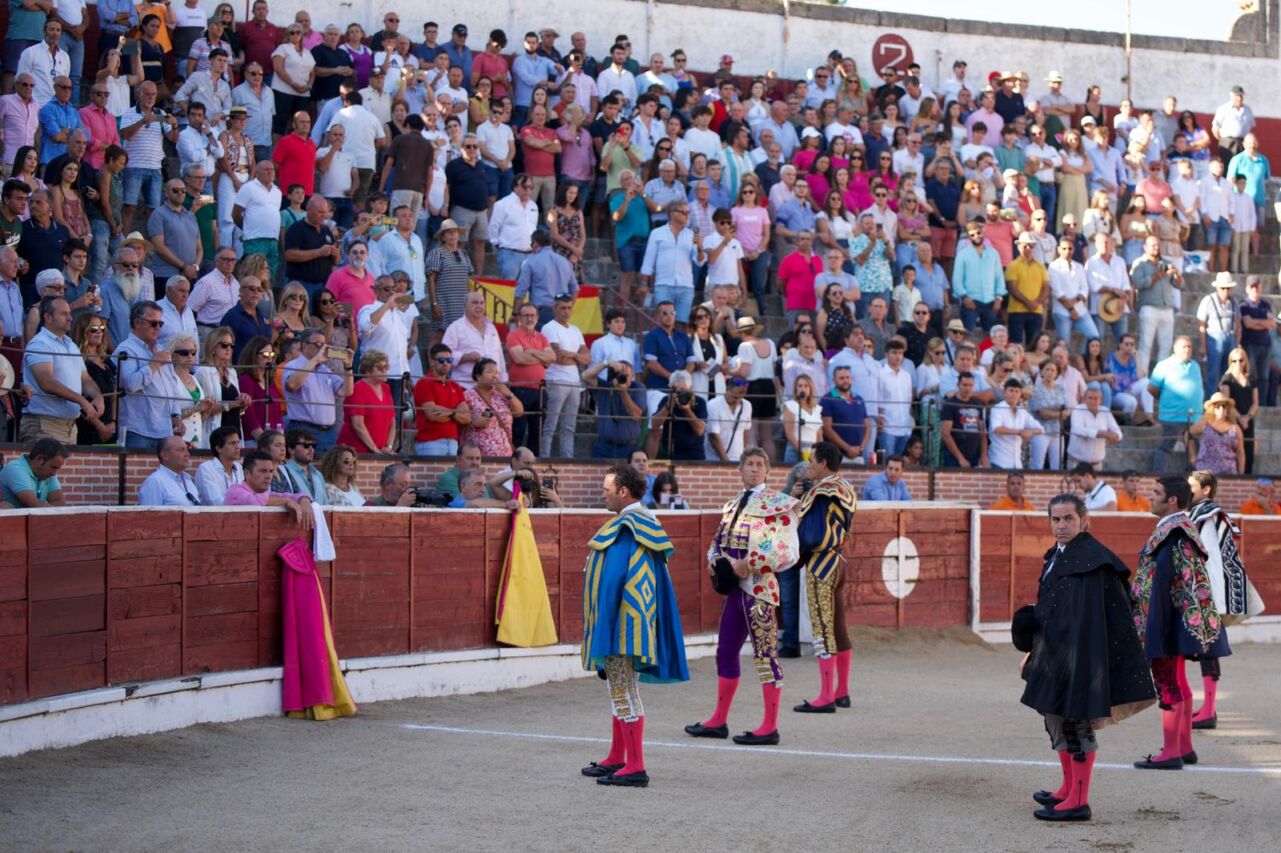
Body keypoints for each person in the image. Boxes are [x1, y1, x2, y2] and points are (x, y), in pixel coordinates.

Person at [1017, 493, 1156, 822]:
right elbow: (1058, 611)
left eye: (1068, 519)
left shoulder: (1093, 559)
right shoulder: (1059, 555)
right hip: (1056, 652)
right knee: (1055, 716)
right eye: (1056, 519)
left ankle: (1079, 801)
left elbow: (1092, 620)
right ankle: (1068, 789)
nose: (1061, 525)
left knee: (1075, 722)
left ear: (1084, 521)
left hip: (1081, 657)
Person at [580, 463, 689, 788]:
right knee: (620, 688)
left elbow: (625, 583)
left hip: (624, 625)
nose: (603, 493)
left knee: (624, 689)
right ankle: (618, 756)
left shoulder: (632, 526)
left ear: (623, 491)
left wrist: (617, 630)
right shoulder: (635, 523)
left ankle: (636, 765)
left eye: (607, 489)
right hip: (624, 623)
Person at [686, 448, 799, 745]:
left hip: (760, 590)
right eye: (749, 464)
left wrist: (748, 564)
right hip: (735, 593)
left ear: (768, 471)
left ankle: (770, 726)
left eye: (760, 464)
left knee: (765, 655)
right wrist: (714, 559)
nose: (754, 469)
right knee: (725, 651)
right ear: (740, 469)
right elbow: (716, 542)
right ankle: (719, 721)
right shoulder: (732, 505)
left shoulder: (777, 505)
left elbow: (786, 550)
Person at [1133, 476, 1228, 771]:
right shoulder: (1182, 529)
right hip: (1180, 617)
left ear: (1171, 499)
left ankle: (1171, 752)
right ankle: (1184, 747)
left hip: (1166, 619)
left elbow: (1160, 582)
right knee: (1179, 681)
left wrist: (1154, 629)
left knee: (1167, 681)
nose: (1151, 497)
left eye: (1156, 493)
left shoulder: (1171, 532)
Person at [791, 441, 858, 713]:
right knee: (838, 626)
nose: (808, 465)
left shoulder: (822, 490)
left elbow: (809, 531)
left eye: (812, 461)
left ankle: (826, 695)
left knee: (821, 627)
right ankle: (841, 692)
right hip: (840, 559)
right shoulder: (846, 487)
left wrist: (797, 498)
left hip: (822, 564)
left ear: (823, 464)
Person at [1186, 470, 1253, 730]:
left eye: (1191, 486)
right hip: (1208, 591)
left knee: (1208, 651)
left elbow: (1211, 557)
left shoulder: (1207, 515)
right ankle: (1207, 707)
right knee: (1205, 651)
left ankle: (1209, 710)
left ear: (1205, 490)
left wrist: (1207, 595)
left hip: (1207, 593)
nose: (1187, 490)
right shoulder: (1203, 513)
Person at [21, 294, 102, 443]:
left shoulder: (70, 344)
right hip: (44, 425)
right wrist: (81, 400)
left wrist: (97, 396)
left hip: (70, 427)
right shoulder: (39, 344)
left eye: (69, 313)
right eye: (64, 314)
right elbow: (46, 382)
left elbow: (85, 378)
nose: (70, 318)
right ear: (48, 317)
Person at [282, 327, 353, 453]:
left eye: (324, 345)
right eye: (318, 345)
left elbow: (346, 391)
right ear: (304, 345)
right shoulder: (293, 365)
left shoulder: (324, 369)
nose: (322, 349)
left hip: (329, 431)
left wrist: (348, 367)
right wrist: (315, 360)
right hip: (304, 429)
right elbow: (292, 385)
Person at [540, 293, 588, 458]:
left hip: (574, 382)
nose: (566, 311)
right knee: (550, 424)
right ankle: (544, 458)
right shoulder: (549, 327)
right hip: (556, 380)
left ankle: (568, 459)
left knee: (569, 426)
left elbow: (587, 358)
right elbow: (558, 358)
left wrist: (571, 355)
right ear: (555, 308)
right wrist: (576, 357)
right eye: (562, 308)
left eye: (569, 308)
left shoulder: (575, 330)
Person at [1149, 337, 1204, 475]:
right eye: (1184, 347)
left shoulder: (1195, 365)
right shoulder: (1164, 365)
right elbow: (1152, 388)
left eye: (1190, 347)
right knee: (1166, 447)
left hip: (1195, 418)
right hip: (1172, 416)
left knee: (1194, 449)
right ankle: (1158, 475)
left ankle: (1193, 478)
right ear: (1175, 348)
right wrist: (1167, 400)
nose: (1187, 350)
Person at [413, 342, 471, 457]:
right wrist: (455, 412)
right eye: (441, 360)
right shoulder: (424, 383)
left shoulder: (455, 386)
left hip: (453, 442)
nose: (445, 364)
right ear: (432, 362)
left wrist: (448, 413)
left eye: (449, 360)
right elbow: (432, 414)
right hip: (430, 442)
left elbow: (467, 418)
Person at [338, 349, 396, 455]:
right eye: (380, 368)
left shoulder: (386, 388)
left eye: (386, 367)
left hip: (380, 450)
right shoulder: (358, 388)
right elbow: (358, 424)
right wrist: (374, 449)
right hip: (355, 450)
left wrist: (388, 446)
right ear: (367, 370)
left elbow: (392, 422)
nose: (385, 371)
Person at [952, 220, 1005, 331]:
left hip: (990, 300)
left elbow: (999, 277)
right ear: (968, 237)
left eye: (978, 233)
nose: (976, 236)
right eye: (972, 235)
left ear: (983, 233)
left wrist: (999, 298)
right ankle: (971, 349)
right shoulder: (963, 255)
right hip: (971, 300)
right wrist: (964, 297)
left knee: (990, 337)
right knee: (967, 334)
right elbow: (957, 279)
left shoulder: (993, 253)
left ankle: (983, 349)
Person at [645, 370, 707, 461]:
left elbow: (700, 430)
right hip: (670, 453)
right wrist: (667, 406)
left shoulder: (699, 401)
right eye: (675, 390)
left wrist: (687, 410)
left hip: (694, 455)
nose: (679, 394)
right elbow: (655, 425)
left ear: (690, 389)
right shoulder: (666, 400)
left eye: (683, 390)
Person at [820, 365, 870, 463]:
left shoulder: (859, 399)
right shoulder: (827, 399)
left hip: (858, 455)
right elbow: (826, 429)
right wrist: (847, 448)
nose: (845, 381)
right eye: (841, 378)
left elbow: (867, 427)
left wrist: (861, 447)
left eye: (848, 377)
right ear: (834, 380)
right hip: (836, 456)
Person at [989, 378, 1041, 470]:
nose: (1013, 394)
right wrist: (1020, 432)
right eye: (1011, 391)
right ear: (1004, 393)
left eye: (1017, 391)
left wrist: (1030, 432)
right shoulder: (997, 408)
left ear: (1020, 394)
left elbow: (1040, 428)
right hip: (999, 461)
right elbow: (997, 429)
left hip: (1017, 463)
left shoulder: (1022, 411)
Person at [1189, 391, 1245, 476]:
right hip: (1205, 471)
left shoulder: (1235, 429)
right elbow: (1188, 434)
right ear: (1212, 409)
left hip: (1228, 472)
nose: (1221, 409)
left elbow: (1240, 452)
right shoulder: (1204, 424)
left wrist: (1241, 474)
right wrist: (1193, 455)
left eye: (1224, 406)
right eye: (1218, 406)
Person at [0, 437, 68, 507]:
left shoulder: (48, 473)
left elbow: (60, 503)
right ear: (39, 458)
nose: (54, 473)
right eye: (53, 467)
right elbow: (34, 505)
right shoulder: (15, 468)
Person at [1067, 386, 1123, 470]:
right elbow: (1077, 429)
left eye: (1096, 398)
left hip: (1096, 464)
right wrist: (1103, 434)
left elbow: (1119, 433)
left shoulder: (1105, 411)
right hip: (1077, 463)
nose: (1093, 401)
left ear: (1101, 400)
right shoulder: (1078, 409)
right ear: (1084, 399)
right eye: (1090, 398)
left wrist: (1114, 437)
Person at [940, 371, 988, 468]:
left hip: (975, 456)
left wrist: (983, 456)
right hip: (954, 458)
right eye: (965, 385)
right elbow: (945, 433)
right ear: (958, 385)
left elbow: (983, 433)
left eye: (971, 385)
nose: (968, 388)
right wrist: (960, 458)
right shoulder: (950, 404)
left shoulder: (978, 404)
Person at [138, 435, 201, 506]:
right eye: (181, 450)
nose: (187, 454)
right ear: (165, 455)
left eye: (187, 449)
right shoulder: (155, 482)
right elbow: (150, 516)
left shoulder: (188, 480)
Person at [705, 376, 753, 462]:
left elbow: (746, 431)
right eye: (735, 397)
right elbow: (713, 436)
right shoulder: (713, 405)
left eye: (741, 397)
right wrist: (726, 462)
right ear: (727, 389)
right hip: (715, 460)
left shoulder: (747, 405)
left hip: (738, 459)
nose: (737, 401)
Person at [196, 424, 243, 506]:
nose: (237, 447)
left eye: (238, 442)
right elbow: (216, 502)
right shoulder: (206, 469)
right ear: (218, 448)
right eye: (232, 443)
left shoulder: (239, 467)